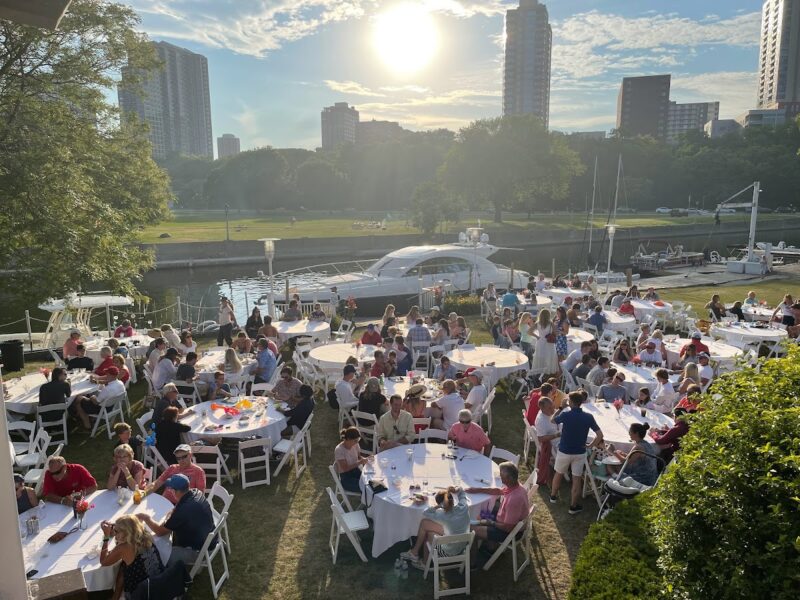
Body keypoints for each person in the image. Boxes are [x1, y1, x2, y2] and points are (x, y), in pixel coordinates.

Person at [137, 474, 214, 567]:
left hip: (199, 551)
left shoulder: (184, 510)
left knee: (159, 554)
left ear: (175, 491)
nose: (171, 491)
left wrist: (146, 517)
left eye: (171, 489)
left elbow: (160, 532)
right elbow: (174, 510)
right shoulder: (196, 492)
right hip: (210, 539)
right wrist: (169, 516)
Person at [549, 391, 604, 514]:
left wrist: (561, 408)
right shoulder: (588, 417)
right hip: (579, 452)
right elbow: (600, 435)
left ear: (571, 402)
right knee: (576, 479)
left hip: (564, 451)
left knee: (558, 473)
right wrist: (590, 445)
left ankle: (553, 497)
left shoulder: (566, 415)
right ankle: (573, 507)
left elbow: (552, 420)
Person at [399, 486, 470, 569]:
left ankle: (424, 563)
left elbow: (426, 512)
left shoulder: (441, 515)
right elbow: (462, 492)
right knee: (427, 525)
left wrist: (437, 506)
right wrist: (455, 489)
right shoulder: (463, 506)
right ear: (452, 500)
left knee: (429, 532)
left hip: (447, 551)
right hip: (461, 547)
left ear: (441, 504)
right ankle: (414, 553)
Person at [466, 462, 530, 554]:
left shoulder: (514, 500)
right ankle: (490, 547)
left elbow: (508, 528)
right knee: (481, 514)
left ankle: (472, 565)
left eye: (500, 476)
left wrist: (491, 522)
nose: (498, 477)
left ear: (508, 478)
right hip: (503, 520)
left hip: (508, 532)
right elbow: (499, 491)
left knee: (471, 529)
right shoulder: (516, 486)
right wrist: (478, 490)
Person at [99, 514, 164, 599]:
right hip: (161, 582)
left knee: (123, 568)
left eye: (117, 531)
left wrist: (106, 536)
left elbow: (104, 562)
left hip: (141, 593)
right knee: (123, 566)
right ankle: (116, 595)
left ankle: (115, 596)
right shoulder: (144, 533)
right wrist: (116, 527)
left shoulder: (124, 547)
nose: (115, 534)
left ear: (127, 532)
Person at [534, 397, 560, 486]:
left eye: (553, 406)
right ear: (542, 408)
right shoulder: (541, 421)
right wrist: (556, 435)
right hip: (556, 444)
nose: (553, 409)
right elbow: (540, 439)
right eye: (550, 408)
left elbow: (555, 413)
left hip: (560, 436)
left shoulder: (549, 412)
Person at [334, 427, 368, 493]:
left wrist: (365, 459)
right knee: (365, 487)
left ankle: (367, 501)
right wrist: (360, 462)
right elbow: (345, 468)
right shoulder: (339, 450)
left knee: (369, 482)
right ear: (348, 439)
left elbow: (359, 457)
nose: (357, 443)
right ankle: (366, 501)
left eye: (358, 440)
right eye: (355, 441)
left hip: (356, 471)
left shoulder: (355, 444)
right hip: (346, 477)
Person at [531, 308, 559, 375]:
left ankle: (539, 372)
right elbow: (556, 333)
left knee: (540, 356)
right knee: (548, 357)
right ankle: (548, 372)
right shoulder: (551, 324)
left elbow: (529, 331)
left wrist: (537, 336)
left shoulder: (537, 323)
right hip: (549, 343)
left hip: (540, 342)